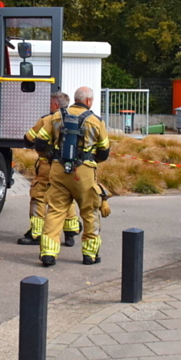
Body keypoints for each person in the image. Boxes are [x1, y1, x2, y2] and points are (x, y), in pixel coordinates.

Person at [33, 86, 111, 266]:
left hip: (58, 170)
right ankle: (89, 255)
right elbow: (104, 153)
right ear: (89, 101)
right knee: (89, 212)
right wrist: (88, 162)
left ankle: (48, 253)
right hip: (84, 172)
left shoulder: (56, 116)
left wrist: (49, 157)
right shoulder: (96, 121)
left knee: (54, 211)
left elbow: (39, 142)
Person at [17, 91, 81, 247]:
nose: (49, 105)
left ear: (56, 105)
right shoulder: (78, 120)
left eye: (51, 103)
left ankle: (36, 233)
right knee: (65, 196)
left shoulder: (47, 119)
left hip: (48, 166)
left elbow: (29, 139)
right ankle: (70, 232)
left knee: (38, 196)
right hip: (70, 166)